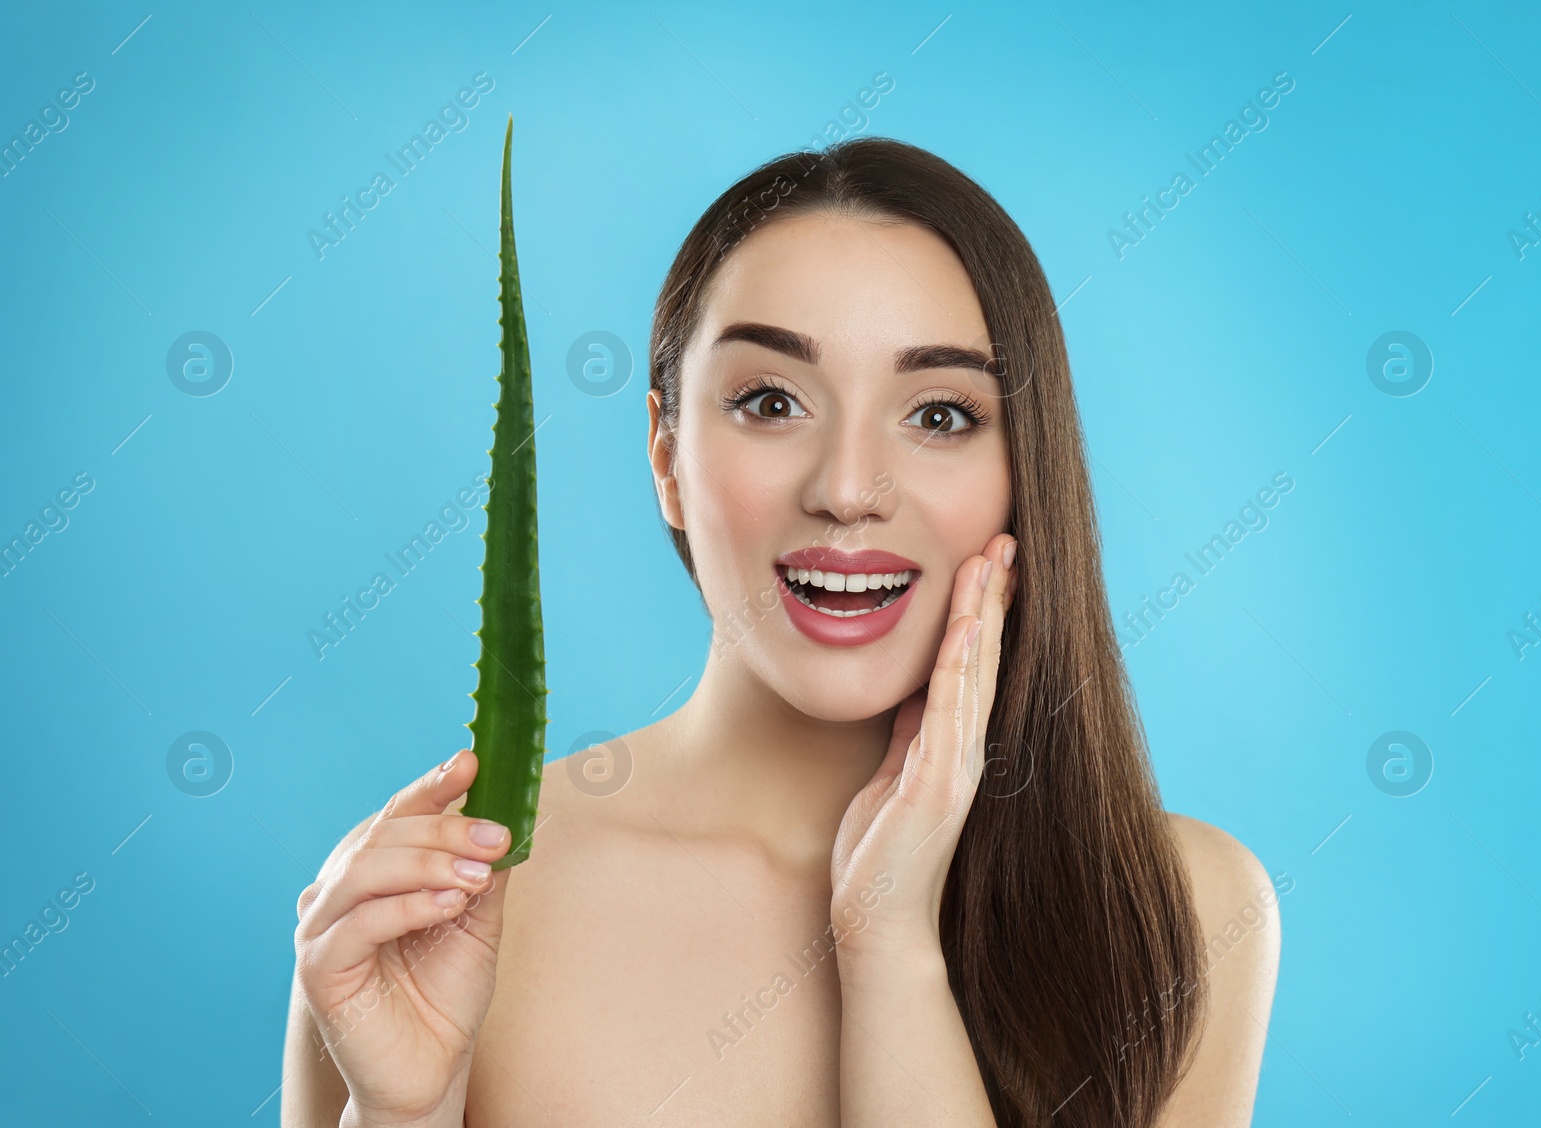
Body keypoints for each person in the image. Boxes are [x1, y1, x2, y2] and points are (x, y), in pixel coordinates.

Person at [282, 136, 1280, 1127]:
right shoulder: (444, 911)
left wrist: (889, 946)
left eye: (938, 414)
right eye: (770, 401)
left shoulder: (1179, 910)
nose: (847, 491)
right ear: (666, 456)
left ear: (1026, 468)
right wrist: (403, 1113)